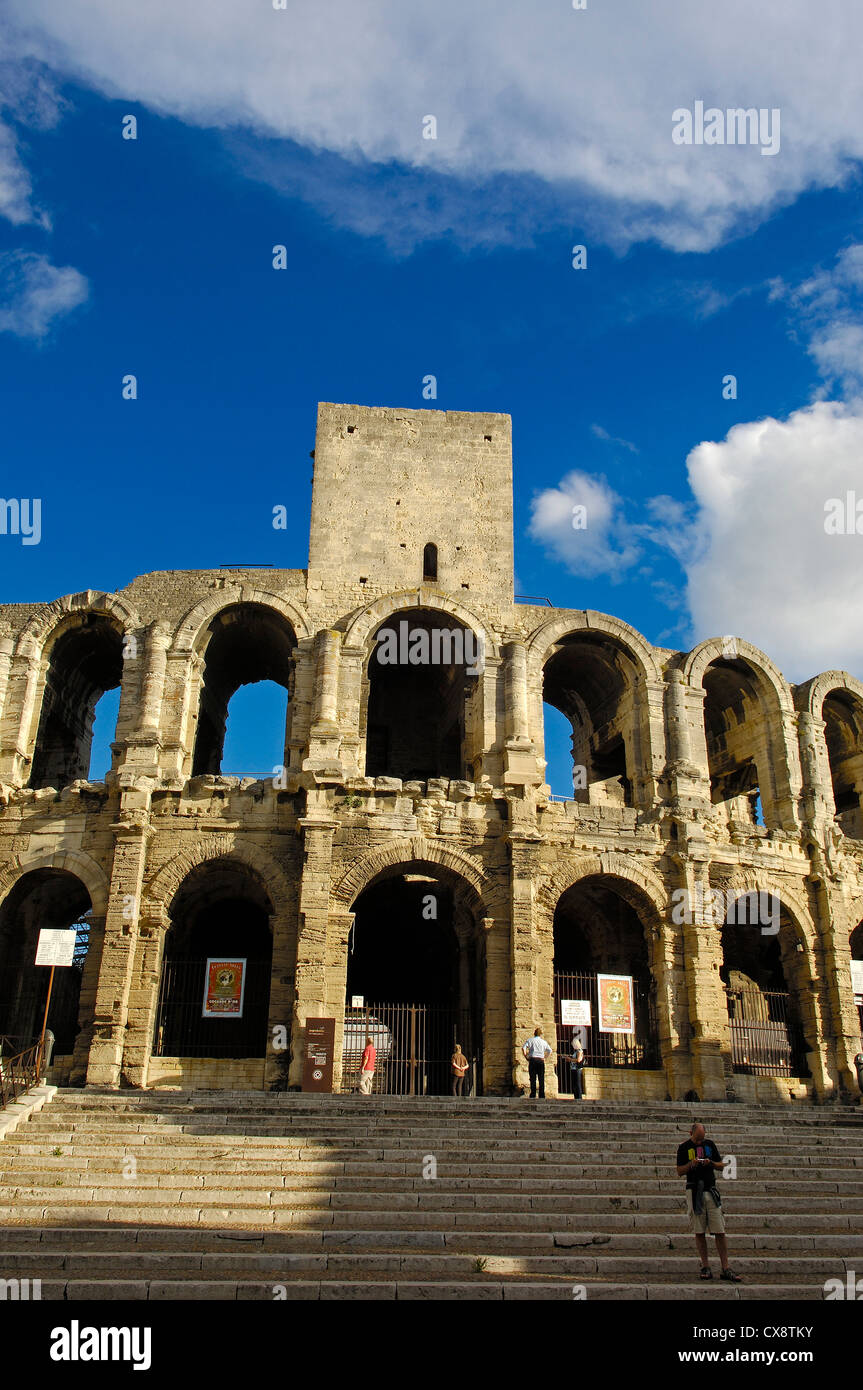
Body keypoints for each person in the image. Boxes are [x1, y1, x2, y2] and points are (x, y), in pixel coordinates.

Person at [675, 1121, 742, 1282]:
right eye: (698, 1139)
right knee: (699, 1231)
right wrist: (691, 1164)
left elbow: (722, 1165)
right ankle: (705, 1266)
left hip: (711, 1191)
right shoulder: (683, 1148)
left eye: (702, 1138)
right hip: (694, 1191)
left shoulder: (710, 1145)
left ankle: (725, 1267)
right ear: (691, 1134)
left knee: (720, 1230)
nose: (700, 1141)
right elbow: (679, 1171)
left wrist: (710, 1163)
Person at [522, 1027, 553, 1098]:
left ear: (534, 1033)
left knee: (533, 1078)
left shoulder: (530, 1040)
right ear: (540, 1034)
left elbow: (523, 1048)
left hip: (533, 1060)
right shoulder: (544, 1042)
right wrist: (545, 1057)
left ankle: (533, 1094)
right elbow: (550, 1051)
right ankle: (542, 1094)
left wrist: (526, 1056)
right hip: (540, 1061)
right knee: (541, 1078)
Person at [569, 1034, 585, 1099]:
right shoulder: (576, 1051)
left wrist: (570, 1059)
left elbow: (578, 1060)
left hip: (577, 1068)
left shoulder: (579, 1051)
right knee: (575, 1084)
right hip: (573, 1068)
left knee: (578, 1084)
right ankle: (576, 1097)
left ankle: (579, 1097)